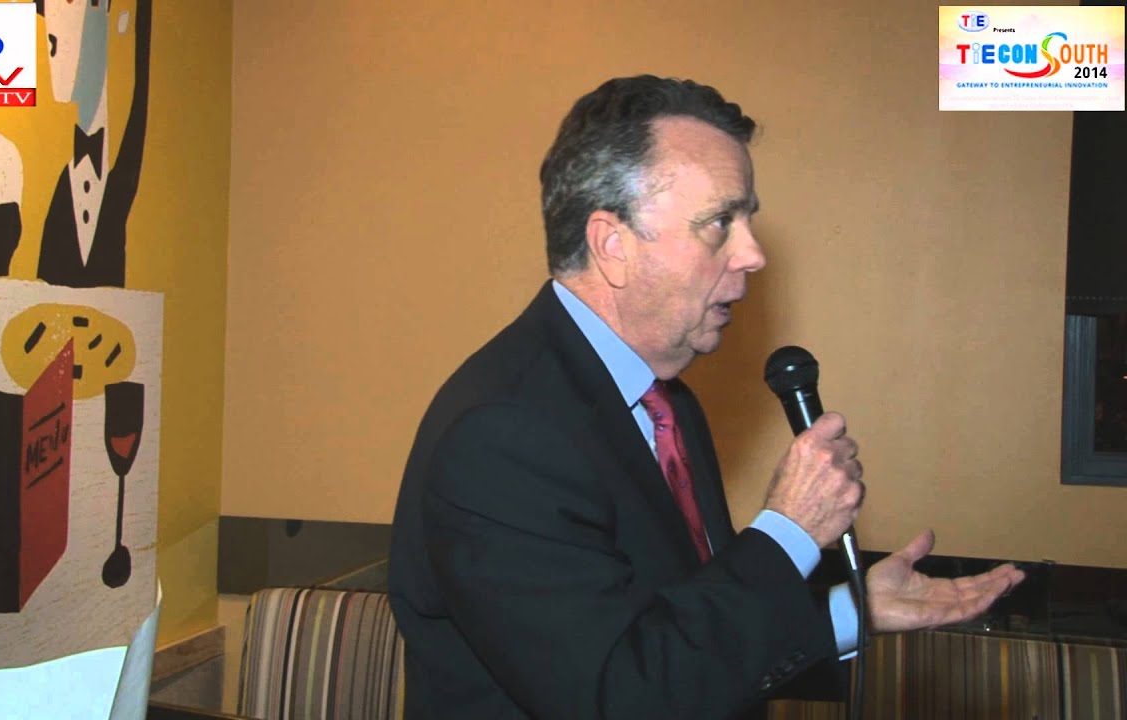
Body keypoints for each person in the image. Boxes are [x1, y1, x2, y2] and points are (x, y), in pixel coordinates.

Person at [387, 75, 1024, 720]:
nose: (753, 254)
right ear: (614, 246)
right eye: (720, 222)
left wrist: (847, 610)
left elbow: (679, 650)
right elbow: (622, 697)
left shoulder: (667, 406)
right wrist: (788, 531)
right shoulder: (504, 433)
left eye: (748, 219)